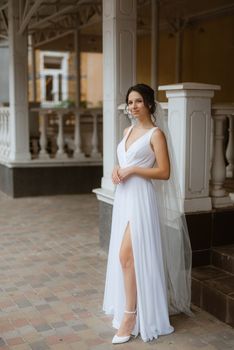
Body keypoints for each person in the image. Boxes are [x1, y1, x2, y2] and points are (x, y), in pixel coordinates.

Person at [103, 83, 192, 344]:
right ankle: (130, 309)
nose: (133, 106)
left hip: (141, 199)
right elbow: (124, 160)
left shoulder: (156, 134)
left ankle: (131, 316)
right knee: (126, 258)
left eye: (138, 101)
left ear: (150, 104)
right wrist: (117, 169)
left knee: (126, 256)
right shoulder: (127, 130)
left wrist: (131, 171)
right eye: (130, 102)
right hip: (124, 198)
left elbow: (164, 172)